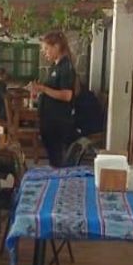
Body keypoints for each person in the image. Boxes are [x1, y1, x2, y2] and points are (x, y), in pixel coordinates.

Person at [31, 31, 78, 167]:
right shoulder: (54, 66)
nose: (44, 53)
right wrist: (38, 91)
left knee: (58, 160)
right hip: (49, 120)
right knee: (53, 158)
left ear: (56, 46)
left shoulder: (65, 67)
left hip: (58, 122)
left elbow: (67, 95)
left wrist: (44, 89)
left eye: (46, 48)